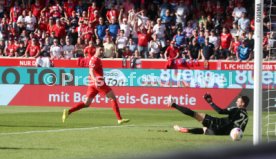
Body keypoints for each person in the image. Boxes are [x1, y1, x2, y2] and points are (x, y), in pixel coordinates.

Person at [62, 47, 130, 124]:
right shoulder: (95, 60)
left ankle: (68, 111)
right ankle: (119, 119)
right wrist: (95, 81)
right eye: (100, 50)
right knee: (112, 98)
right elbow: (91, 71)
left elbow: (90, 70)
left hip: (92, 83)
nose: (102, 51)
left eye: (102, 50)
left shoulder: (94, 59)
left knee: (86, 103)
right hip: (98, 82)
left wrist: (93, 81)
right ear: (96, 50)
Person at [168, 93, 249, 135]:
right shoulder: (246, 117)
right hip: (223, 133)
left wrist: (210, 102)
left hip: (217, 123)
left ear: (242, 103)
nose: (236, 102)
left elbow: (220, 111)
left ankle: (173, 104)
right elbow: (240, 131)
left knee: (195, 114)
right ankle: (186, 130)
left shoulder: (236, 109)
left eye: (238, 101)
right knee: (204, 130)